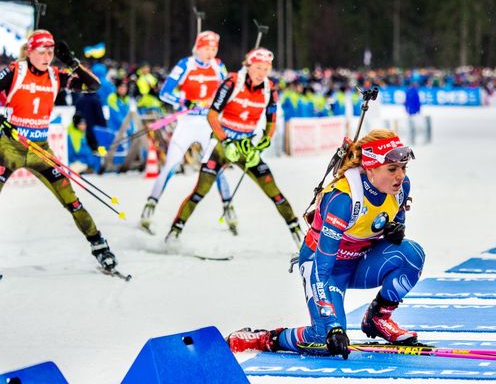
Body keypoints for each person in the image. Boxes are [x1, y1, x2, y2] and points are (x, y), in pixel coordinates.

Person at [226, 129, 425, 358]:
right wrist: (333, 325)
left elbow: (394, 227)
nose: (400, 176)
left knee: (411, 254)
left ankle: (378, 319)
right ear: (370, 167)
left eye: (403, 168)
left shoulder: (400, 189)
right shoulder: (343, 198)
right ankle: (264, 339)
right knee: (324, 341)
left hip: (359, 262)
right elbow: (320, 269)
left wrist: (394, 233)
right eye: (392, 169)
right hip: (325, 270)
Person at [0, 30, 117, 271]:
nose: (46, 57)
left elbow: (93, 85)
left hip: (40, 150)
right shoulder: (15, 71)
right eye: (41, 52)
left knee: (71, 201)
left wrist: (72, 62)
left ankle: (100, 246)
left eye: (50, 52)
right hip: (9, 147)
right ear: (30, 52)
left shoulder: (56, 76)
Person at [166, 47, 303, 246]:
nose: (261, 73)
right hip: (223, 146)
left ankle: (301, 238)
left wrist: (266, 139)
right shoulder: (232, 83)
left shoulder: (269, 88)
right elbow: (212, 115)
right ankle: (174, 233)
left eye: (266, 69)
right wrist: (226, 140)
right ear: (248, 66)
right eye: (257, 68)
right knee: (200, 191)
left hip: (246, 148)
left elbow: (271, 121)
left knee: (274, 192)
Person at [140, 31, 235, 234]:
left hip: (209, 123)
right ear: (198, 48)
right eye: (207, 48)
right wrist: (184, 101)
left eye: (214, 49)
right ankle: (150, 205)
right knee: (172, 164)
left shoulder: (218, 66)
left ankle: (228, 207)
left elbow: (228, 91)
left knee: (215, 167)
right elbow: (165, 92)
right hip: (188, 121)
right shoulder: (186, 64)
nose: (211, 53)